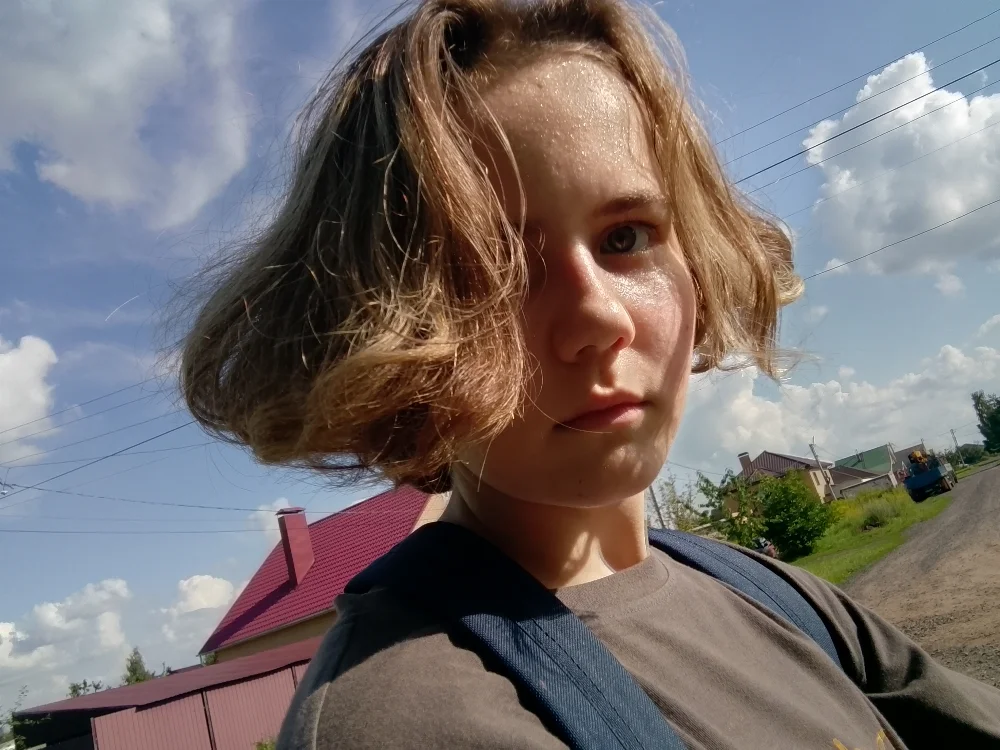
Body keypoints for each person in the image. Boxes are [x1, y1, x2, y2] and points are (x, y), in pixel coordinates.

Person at [178, 0, 1000, 747]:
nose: (599, 318)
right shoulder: (408, 717)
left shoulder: (767, 592)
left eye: (626, 237)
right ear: (388, 328)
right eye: (494, 271)